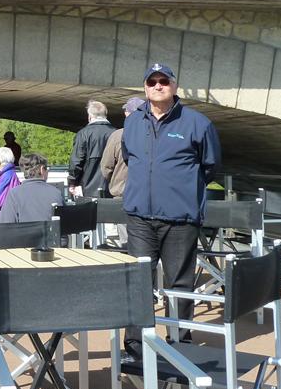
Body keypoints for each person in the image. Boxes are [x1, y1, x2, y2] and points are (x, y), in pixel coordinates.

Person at [121, 64, 221, 362]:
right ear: (145, 88)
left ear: (174, 86)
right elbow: (129, 158)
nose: (158, 86)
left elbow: (210, 166)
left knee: (179, 284)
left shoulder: (197, 123)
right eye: (152, 81)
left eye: (164, 81)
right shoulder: (132, 123)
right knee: (138, 281)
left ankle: (179, 346)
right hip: (140, 217)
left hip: (180, 219)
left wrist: (181, 190)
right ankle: (136, 348)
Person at [99, 97, 145, 246]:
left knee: (126, 242)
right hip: (148, 195)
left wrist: (115, 181)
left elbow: (106, 166)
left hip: (122, 194)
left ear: (127, 114)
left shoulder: (117, 136)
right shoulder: (155, 134)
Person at [0, 152, 64, 224]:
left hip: (23, 231)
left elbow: (5, 225)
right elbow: (66, 224)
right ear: (42, 170)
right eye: (47, 169)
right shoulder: (56, 193)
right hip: (50, 231)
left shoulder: (14, 194)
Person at [67, 100, 115, 198]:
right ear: (105, 115)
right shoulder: (116, 133)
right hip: (112, 188)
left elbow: (77, 161)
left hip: (88, 189)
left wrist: (72, 182)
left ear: (89, 117)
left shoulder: (83, 134)